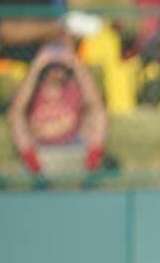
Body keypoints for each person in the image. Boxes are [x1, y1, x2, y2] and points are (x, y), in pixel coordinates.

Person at [8, 42, 107, 178]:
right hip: (41, 151)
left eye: (61, 67)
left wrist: (76, 64)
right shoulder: (32, 91)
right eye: (52, 68)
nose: (57, 72)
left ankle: (92, 162)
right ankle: (33, 166)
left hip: (74, 147)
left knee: (99, 114)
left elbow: (96, 105)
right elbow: (17, 110)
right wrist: (36, 67)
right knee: (15, 118)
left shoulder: (74, 88)